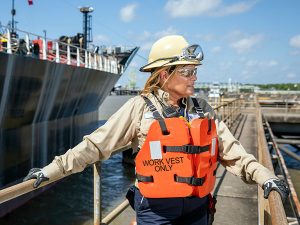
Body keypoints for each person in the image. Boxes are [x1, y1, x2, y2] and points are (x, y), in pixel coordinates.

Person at [24, 35, 290, 225]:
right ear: (164, 74)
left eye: (195, 71)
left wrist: (264, 176)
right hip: (156, 212)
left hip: (199, 209)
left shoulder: (203, 108)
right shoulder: (139, 108)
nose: (194, 77)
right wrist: (51, 171)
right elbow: (96, 145)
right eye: (187, 71)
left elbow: (233, 152)